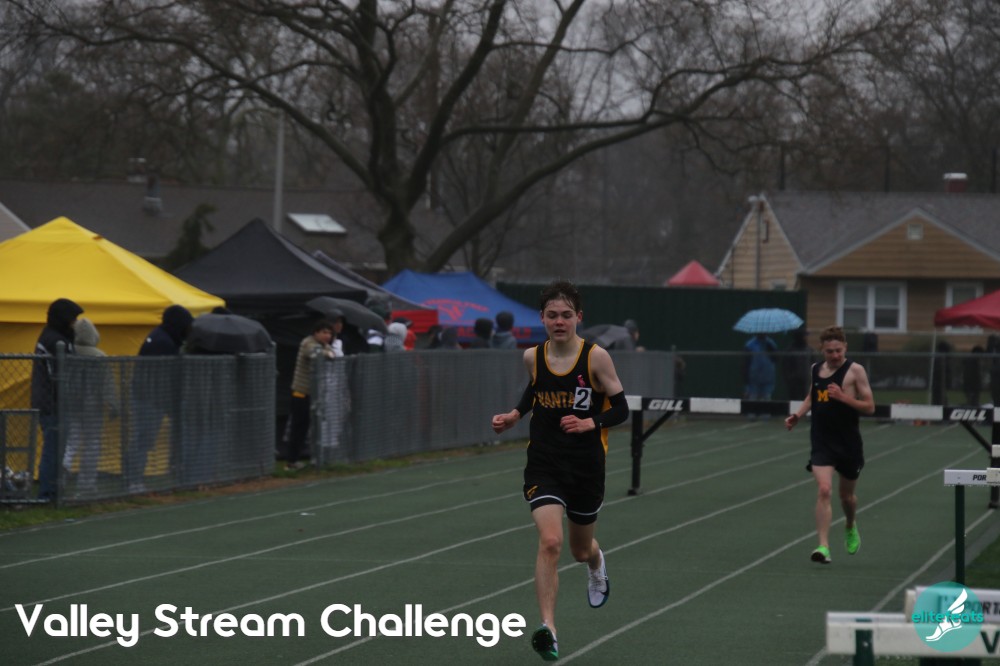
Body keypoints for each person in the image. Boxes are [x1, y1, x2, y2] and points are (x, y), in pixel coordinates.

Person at [491, 280, 627, 661]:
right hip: (545, 463)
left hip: (585, 467)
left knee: (579, 550)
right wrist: (515, 414)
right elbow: (535, 390)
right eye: (552, 315)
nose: (559, 322)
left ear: (578, 317)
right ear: (542, 318)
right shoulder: (532, 356)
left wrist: (590, 423)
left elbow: (621, 408)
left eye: (566, 315)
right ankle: (548, 629)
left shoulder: (596, 358)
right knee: (550, 541)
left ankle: (596, 562)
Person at [785, 325, 875, 565]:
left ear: (845, 347)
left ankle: (850, 524)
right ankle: (823, 546)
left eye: (838, 350)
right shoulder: (816, 369)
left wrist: (843, 397)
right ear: (822, 350)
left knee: (847, 497)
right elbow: (811, 397)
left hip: (848, 443)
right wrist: (797, 415)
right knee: (824, 489)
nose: (834, 355)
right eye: (829, 351)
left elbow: (870, 407)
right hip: (822, 441)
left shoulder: (855, 371)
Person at [127, 304, 193, 492]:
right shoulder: (162, 342)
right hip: (150, 399)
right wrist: (169, 402)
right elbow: (162, 377)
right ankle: (133, 480)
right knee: (143, 439)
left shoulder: (162, 338)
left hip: (152, 397)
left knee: (144, 439)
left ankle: (136, 479)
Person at [31, 298, 84, 501]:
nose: (75, 323)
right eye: (73, 318)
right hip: (52, 403)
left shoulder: (56, 337)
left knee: (57, 447)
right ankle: (48, 492)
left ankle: (53, 490)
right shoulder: (54, 340)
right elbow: (59, 376)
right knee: (53, 448)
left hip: (55, 402)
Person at [63, 318, 119, 495]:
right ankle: (86, 483)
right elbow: (107, 383)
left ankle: (63, 469)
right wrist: (113, 404)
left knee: (71, 440)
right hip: (93, 404)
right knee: (92, 443)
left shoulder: (68, 353)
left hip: (71, 402)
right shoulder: (99, 356)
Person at [286, 318, 340, 470]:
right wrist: (327, 353)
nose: (327, 336)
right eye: (324, 332)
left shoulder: (324, 346)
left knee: (312, 427)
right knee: (298, 427)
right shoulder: (307, 343)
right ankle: (291, 461)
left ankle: (314, 458)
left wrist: (328, 352)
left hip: (315, 394)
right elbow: (315, 353)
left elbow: (332, 353)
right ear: (316, 333)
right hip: (301, 392)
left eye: (330, 333)